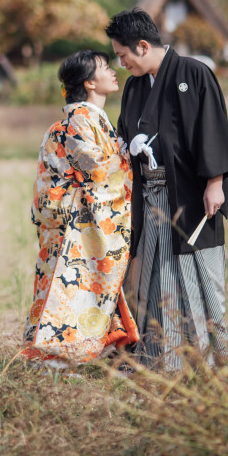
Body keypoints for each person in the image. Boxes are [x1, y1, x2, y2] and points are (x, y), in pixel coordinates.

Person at [105, 8, 228, 371]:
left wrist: (215, 183)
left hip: (190, 196)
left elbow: (211, 129)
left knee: (201, 275)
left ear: (142, 45)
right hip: (151, 200)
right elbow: (125, 138)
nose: (122, 65)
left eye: (122, 56)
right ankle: (163, 358)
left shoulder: (194, 73)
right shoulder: (135, 87)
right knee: (155, 277)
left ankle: (210, 358)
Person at [19, 50, 139, 368]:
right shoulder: (79, 118)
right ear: (89, 83)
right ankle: (54, 357)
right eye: (104, 68)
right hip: (72, 221)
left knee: (77, 286)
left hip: (72, 217)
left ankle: (76, 353)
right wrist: (130, 157)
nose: (113, 72)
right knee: (71, 286)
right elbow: (98, 171)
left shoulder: (86, 117)